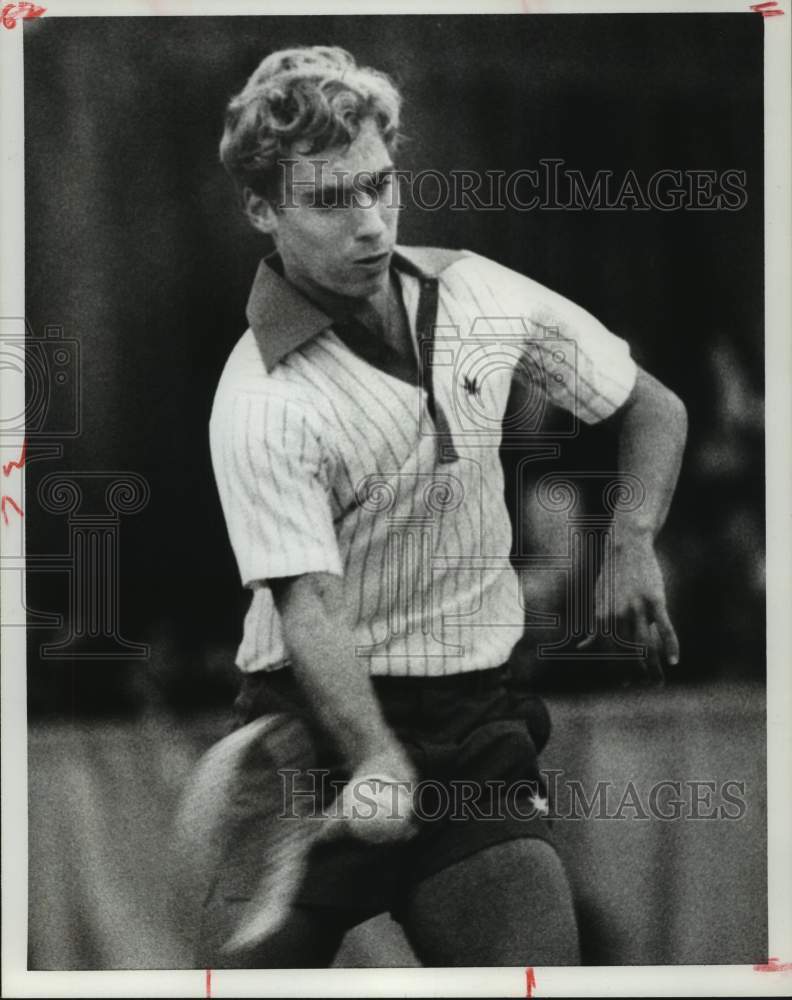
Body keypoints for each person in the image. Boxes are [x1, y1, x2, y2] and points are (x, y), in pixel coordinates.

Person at [206, 45, 687, 968]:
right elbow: (310, 605)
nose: (369, 223)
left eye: (379, 185)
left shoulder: (479, 293)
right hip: (308, 736)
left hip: (476, 726)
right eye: (329, 200)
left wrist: (631, 541)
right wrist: (373, 754)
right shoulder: (259, 400)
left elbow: (652, 407)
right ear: (262, 209)